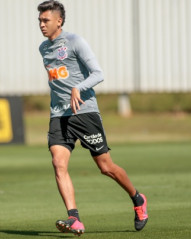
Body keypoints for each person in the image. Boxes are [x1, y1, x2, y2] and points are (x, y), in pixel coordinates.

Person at [37, 0, 148, 236]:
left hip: (85, 112)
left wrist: (78, 87)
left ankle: (137, 198)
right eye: (40, 20)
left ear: (59, 21)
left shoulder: (75, 42)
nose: (41, 24)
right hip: (59, 114)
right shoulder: (43, 49)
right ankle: (74, 218)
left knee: (105, 167)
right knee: (58, 163)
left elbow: (98, 73)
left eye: (46, 20)